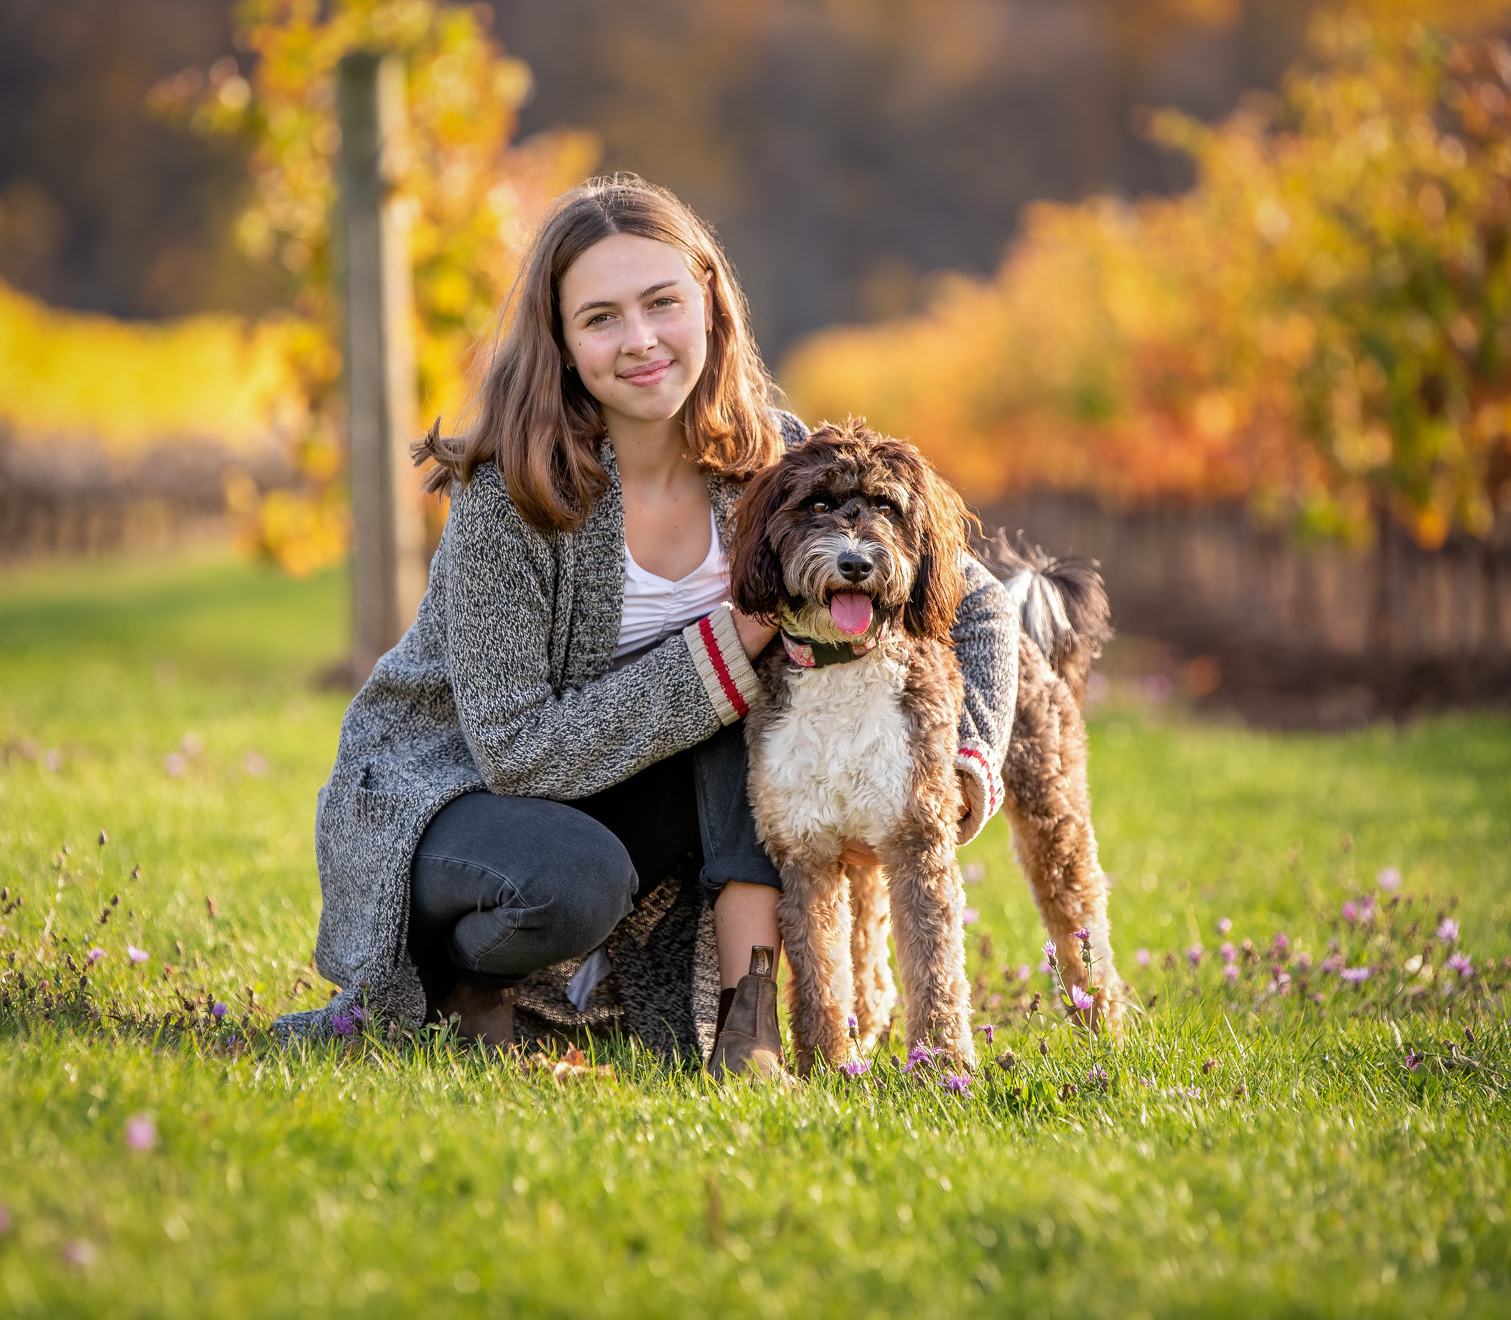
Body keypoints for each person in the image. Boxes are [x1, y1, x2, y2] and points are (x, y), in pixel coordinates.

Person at [274, 174, 1018, 1077]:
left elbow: (976, 597)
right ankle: (438, 990)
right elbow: (513, 748)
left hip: (633, 799)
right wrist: (720, 648)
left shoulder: (775, 460)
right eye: (601, 318)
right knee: (573, 876)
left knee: (756, 721)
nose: (640, 341)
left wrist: (968, 761)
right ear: (561, 340)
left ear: (709, 300)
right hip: (451, 795)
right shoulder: (512, 496)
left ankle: (749, 1024)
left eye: (662, 302)